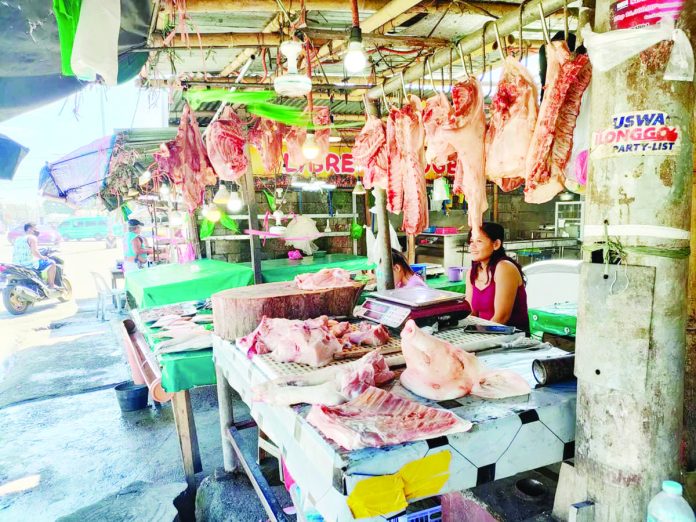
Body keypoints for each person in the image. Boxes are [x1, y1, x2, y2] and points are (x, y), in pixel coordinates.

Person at [465, 222, 529, 332]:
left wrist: (476, 336)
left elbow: (501, 318)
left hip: (512, 338)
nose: (472, 246)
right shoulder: (472, 272)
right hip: (484, 333)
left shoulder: (504, 268)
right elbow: (471, 312)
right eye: (471, 241)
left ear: (496, 244)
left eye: (479, 241)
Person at [12, 222, 58, 289]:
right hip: (28, 264)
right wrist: (43, 257)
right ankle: (51, 285)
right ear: (30, 229)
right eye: (35, 229)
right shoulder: (32, 238)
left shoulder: (18, 239)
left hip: (17, 264)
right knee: (52, 263)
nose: (37, 231)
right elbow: (35, 252)